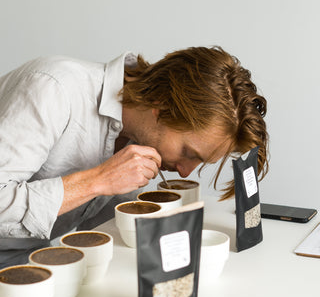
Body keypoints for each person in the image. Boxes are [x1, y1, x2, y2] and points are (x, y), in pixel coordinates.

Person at [0, 46, 268, 267]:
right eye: (188, 153)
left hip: (33, 267)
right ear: (161, 105)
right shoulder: (52, 88)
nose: (185, 172)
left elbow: (101, 230)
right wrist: (96, 181)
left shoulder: (137, 135)